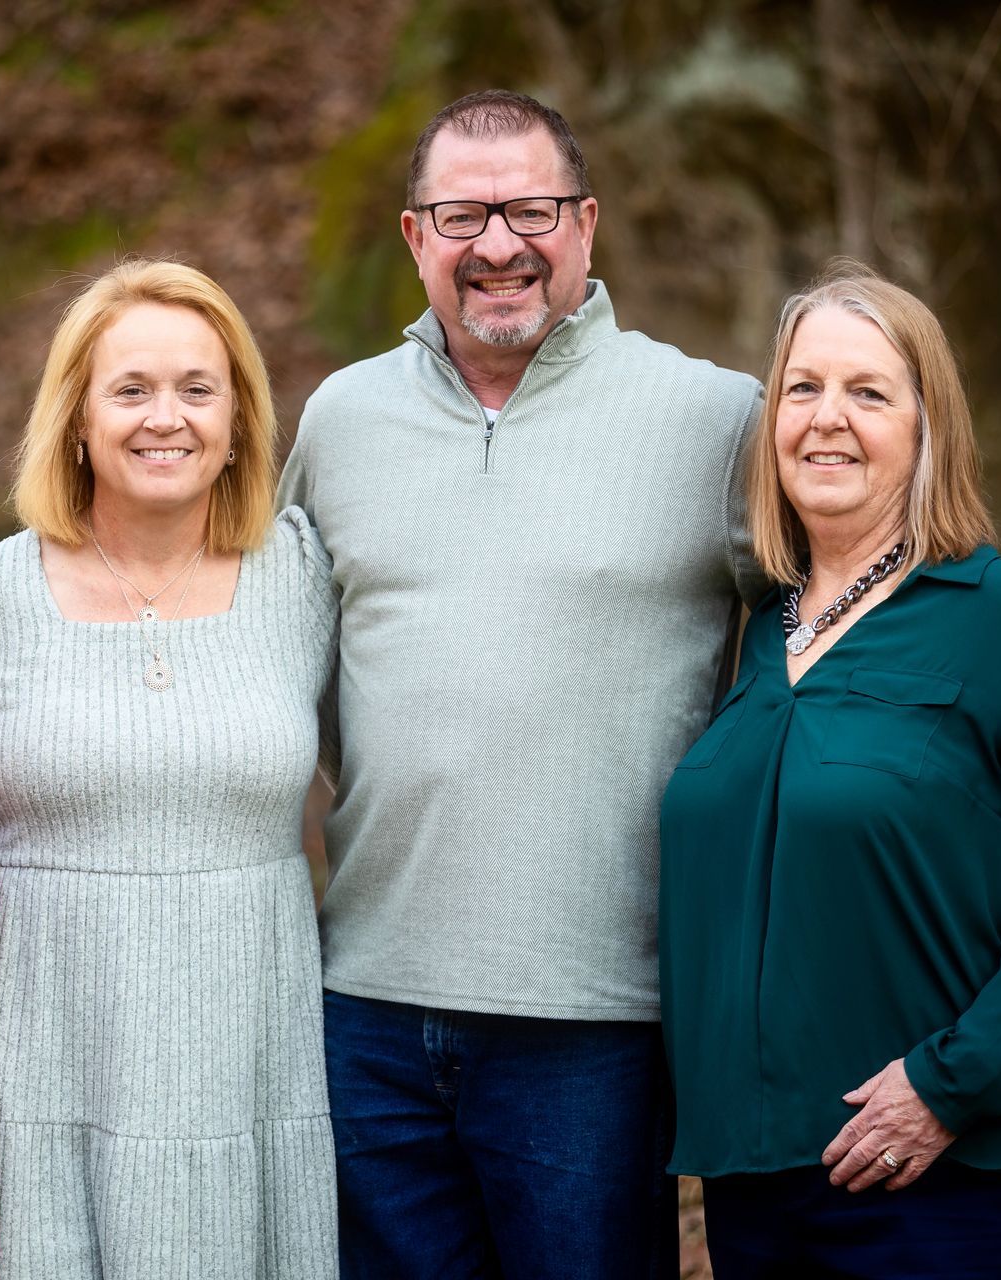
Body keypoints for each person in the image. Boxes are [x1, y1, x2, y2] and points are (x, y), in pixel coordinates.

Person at [278, 89, 766, 1277]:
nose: (498, 244)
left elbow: (839, 631)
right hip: (369, 1010)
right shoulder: (342, 420)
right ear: (413, 238)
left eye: (530, 210)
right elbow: (281, 660)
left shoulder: (714, 418)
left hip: (594, 1021)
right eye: (462, 215)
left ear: (587, 226)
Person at [658, 262, 1001, 1278]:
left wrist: (951, 1083)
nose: (826, 418)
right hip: (766, 1186)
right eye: (801, 388)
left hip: (976, 1178)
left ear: (929, 426)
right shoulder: (759, 636)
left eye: (869, 391)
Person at [0, 259, 338, 1279]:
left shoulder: (302, 578)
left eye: (198, 387)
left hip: (250, 1066)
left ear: (238, 422)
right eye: (130, 388)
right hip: (40, 1077)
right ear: (78, 419)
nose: (165, 417)